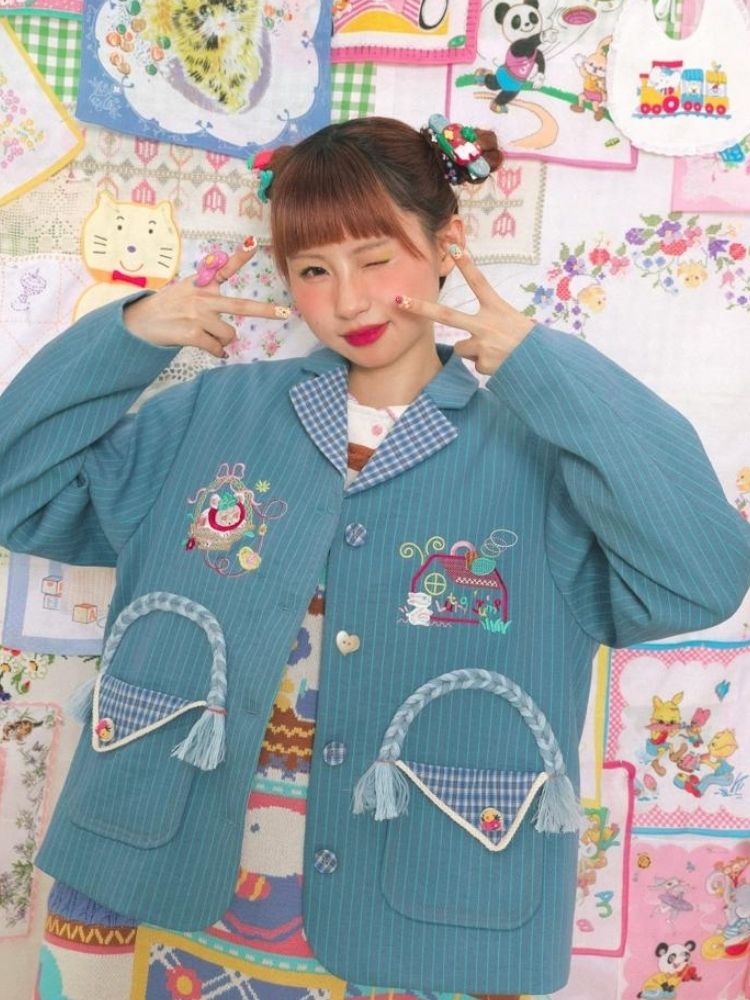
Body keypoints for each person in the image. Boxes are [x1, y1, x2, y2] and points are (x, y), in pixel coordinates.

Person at [1, 116, 749, 1000]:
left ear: (447, 244)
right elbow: (19, 492)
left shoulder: (544, 453)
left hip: (429, 920)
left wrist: (548, 370)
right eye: (314, 270)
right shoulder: (211, 414)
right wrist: (126, 336)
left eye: (375, 257)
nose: (350, 301)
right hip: (149, 879)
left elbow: (701, 578)